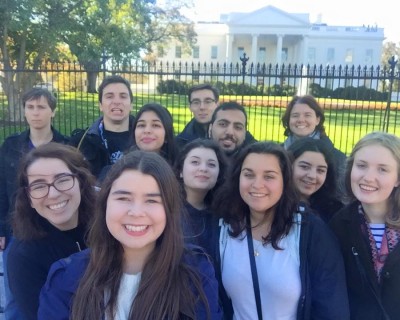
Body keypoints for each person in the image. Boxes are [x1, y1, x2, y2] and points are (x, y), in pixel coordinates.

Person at [39, 150, 222, 320]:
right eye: (123, 198)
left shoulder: (196, 273)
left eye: (151, 200)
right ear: (105, 204)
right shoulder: (66, 277)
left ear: (169, 209)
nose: (136, 212)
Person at [211, 141, 349, 319]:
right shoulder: (222, 227)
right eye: (249, 174)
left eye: (269, 176)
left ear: (285, 181)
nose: (257, 184)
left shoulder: (311, 232)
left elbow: (331, 307)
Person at [0, 87, 69, 320]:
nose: (35, 113)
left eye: (41, 107)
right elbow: (1, 187)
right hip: (17, 228)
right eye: (30, 107)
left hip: (56, 229)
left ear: (52, 111)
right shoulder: (10, 146)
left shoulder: (65, 146)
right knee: (14, 300)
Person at [6, 143, 95, 320]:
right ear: (29, 198)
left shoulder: (107, 227)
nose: (53, 194)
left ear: (81, 183)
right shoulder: (23, 257)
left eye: (62, 179)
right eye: (39, 186)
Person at [330, 132, 400, 320]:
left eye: (383, 170)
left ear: (398, 179)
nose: (368, 177)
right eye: (361, 166)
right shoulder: (338, 226)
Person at [70, 75, 135, 179]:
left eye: (123, 96)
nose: (117, 102)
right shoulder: (81, 142)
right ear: (100, 105)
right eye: (109, 96)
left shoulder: (144, 138)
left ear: (131, 104)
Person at [281, 95, 346, 193]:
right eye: (295, 115)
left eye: (307, 115)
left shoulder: (337, 158)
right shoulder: (279, 152)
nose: (301, 120)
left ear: (317, 120)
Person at [174, 139, 227, 253]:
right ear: (180, 171)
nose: (203, 168)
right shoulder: (167, 210)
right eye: (195, 162)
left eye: (211, 164)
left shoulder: (223, 215)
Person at [288, 137, 343, 223]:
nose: (312, 176)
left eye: (320, 170)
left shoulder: (335, 213)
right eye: (304, 167)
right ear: (289, 166)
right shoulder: (271, 205)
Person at [176, 84, 220, 150]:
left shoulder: (229, 137)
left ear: (217, 105)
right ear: (190, 107)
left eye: (208, 102)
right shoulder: (179, 142)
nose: (202, 107)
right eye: (196, 102)